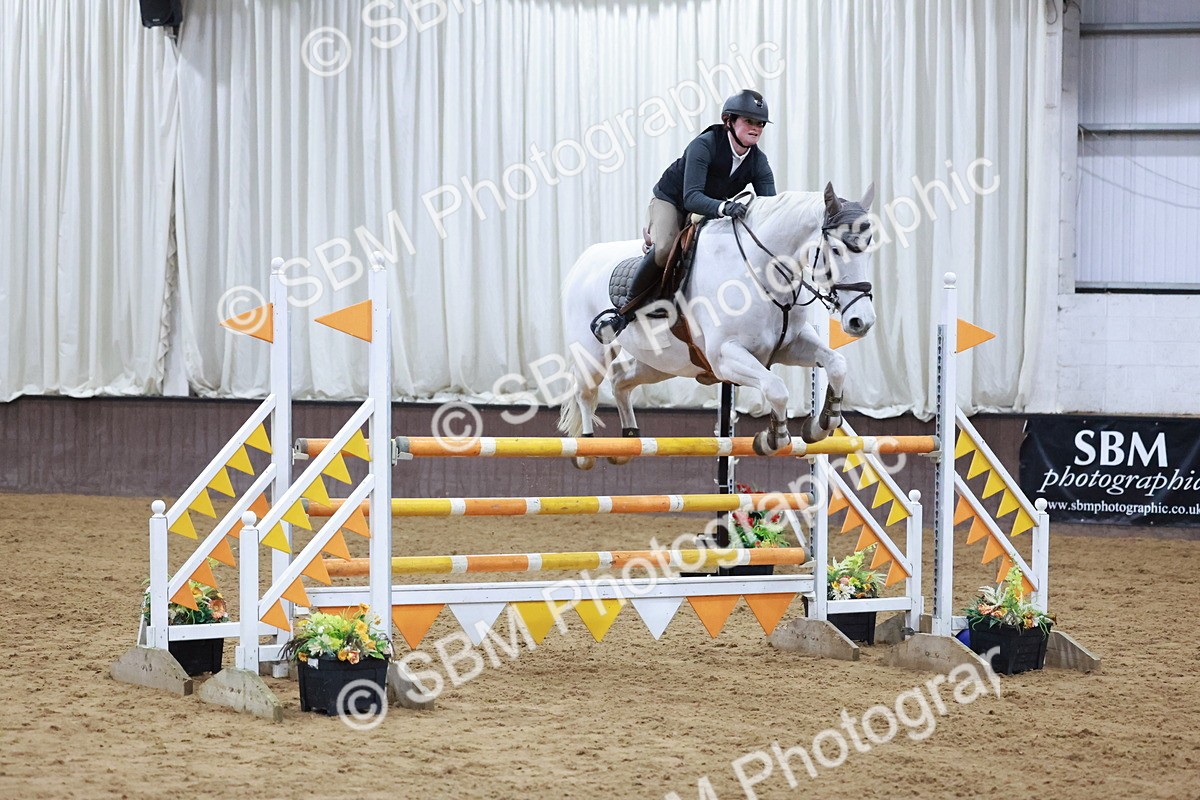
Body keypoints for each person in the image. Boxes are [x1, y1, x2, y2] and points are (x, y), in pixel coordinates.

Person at [592, 89, 777, 342]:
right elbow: (691, 197)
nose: (755, 128)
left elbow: (769, 206)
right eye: (748, 121)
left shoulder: (758, 161)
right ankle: (623, 313)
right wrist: (724, 208)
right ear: (729, 121)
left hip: (706, 208)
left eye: (760, 124)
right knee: (666, 248)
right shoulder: (704, 145)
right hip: (673, 201)